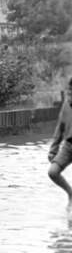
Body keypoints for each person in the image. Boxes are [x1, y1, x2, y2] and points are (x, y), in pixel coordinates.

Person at [48, 77, 72, 209]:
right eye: (69, 92)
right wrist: (53, 149)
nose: (70, 96)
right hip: (68, 146)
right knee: (53, 172)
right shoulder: (66, 104)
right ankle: (70, 193)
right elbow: (60, 127)